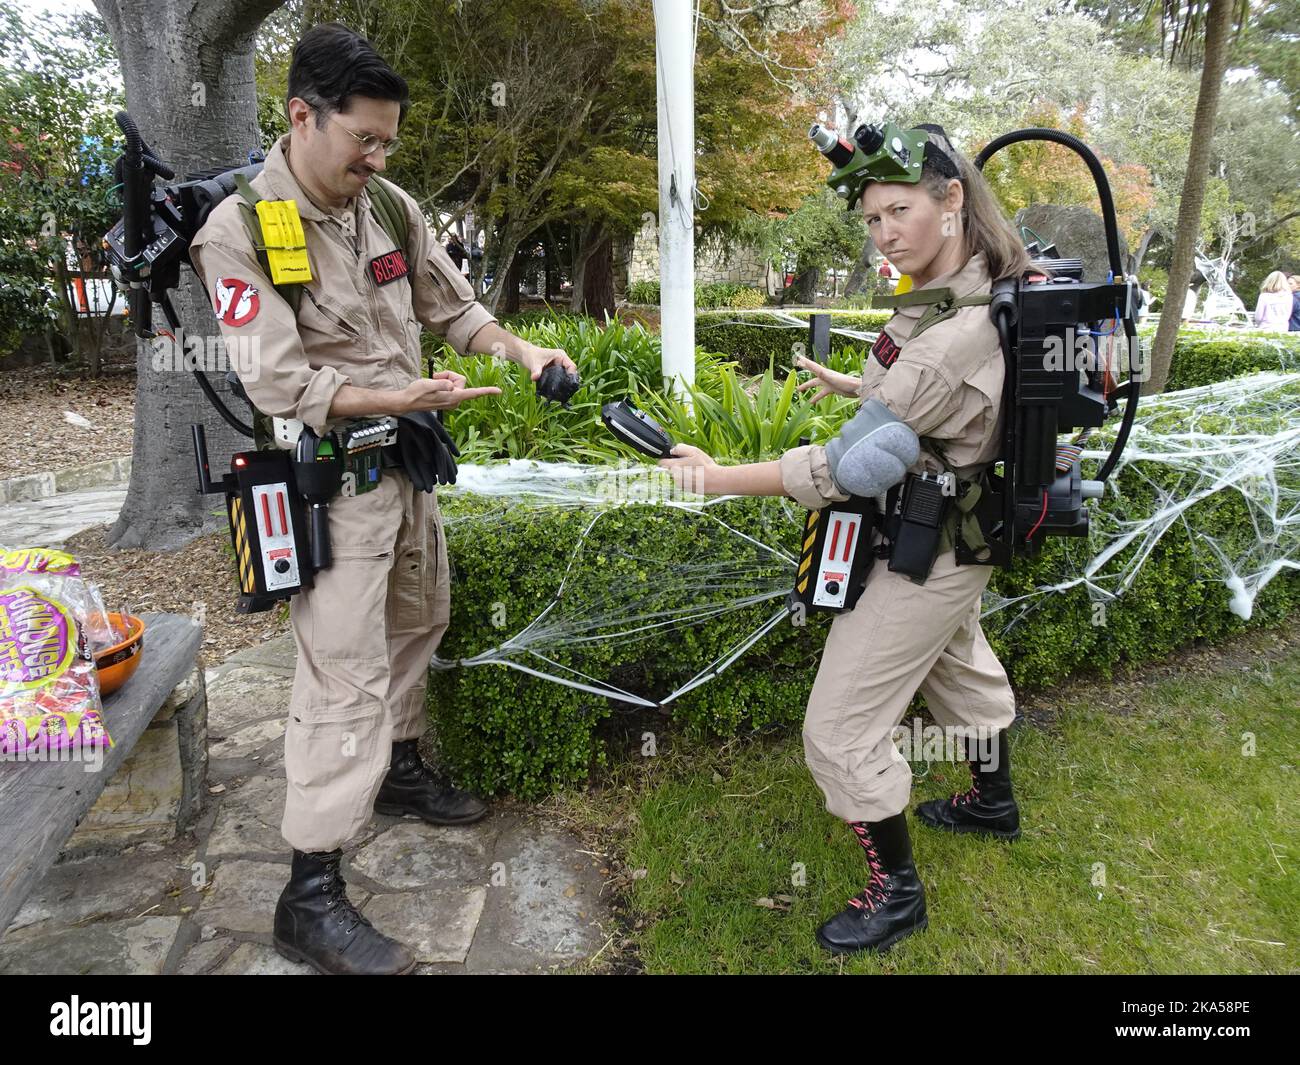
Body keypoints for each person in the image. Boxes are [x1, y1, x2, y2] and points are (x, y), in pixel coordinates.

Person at [189, 23, 577, 975]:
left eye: (388, 141)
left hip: (406, 467)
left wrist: (524, 354)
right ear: (301, 117)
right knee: (342, 678)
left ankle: (399, 770)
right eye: (363, 138)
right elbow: (281, 385)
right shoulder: (238, 230)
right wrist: (395, 395)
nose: (378, 156)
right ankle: (308, 893)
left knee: (420, 618)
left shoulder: (391, 209)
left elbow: (454, 307)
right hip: (331, 488)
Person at [660, 123, 1027, 956]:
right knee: (955, 659)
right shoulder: (965, 286)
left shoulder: (956, 333)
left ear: (952, 199)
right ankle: (992, 801)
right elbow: (914, 398)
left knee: (837, 729)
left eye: (899, 210)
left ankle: (896, 894)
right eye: (871, 219)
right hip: (959, 535)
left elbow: (846, 466)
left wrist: (716, 477)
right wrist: (853, 381)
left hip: (928, 544)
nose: (885, 233)